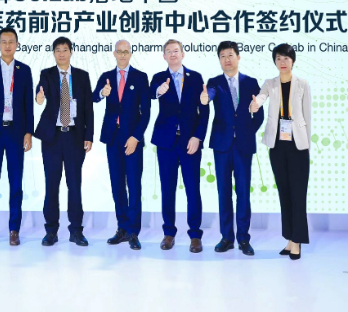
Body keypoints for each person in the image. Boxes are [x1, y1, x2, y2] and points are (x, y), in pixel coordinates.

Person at [201, 41, 264, 255]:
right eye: (222, 56)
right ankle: (227, 237)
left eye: (230, 55)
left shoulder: (251, 82)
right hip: (222, 145)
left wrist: (247, 132)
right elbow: (209, 94)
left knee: (243, 192)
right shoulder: (214, 82)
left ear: (238, 57)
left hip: (243, 146)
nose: (226, 59)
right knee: (224, 192)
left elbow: (259, 113)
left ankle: (243, 239)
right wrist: (205, 98)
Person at [250, 43, 311, 260]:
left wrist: (306, 145)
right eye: (278, 58)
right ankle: (290, 239)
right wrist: (255, 105)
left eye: (286, 58)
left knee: (298, 194)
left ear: (292, 60)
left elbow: (307, 116)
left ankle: (297, 241)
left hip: (298, 145)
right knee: (284, 193)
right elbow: (261, 97)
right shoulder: (270, 83)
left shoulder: (303, 84)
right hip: (277, 145)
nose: (282, 62)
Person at [150, 39, 209, 253]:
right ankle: (169, 233)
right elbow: (150, 93)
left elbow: (204, 111)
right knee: (167, 188)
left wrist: (198, 137)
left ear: (183, 54)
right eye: (169, 51)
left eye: (176, 51)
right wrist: (159, 90)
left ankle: (195, 235)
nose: (173, 54)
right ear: (164, 56)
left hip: (189, 142)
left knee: (192, 188)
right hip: (166, 142)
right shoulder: (158, 78)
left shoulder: (196, 78)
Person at [34, 37, 94, 247]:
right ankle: (51, 231)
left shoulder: (82, 76)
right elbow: (40, 92)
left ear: (71, 52)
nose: (61, 53)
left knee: (74, 185)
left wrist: (89, 136)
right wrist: (39, 97)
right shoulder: (47, 74)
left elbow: (88, 108)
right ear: (54, 53)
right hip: (52, 137)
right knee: (52, 185)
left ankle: (76, 231)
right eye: (57, 50)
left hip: (74, 137)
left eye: (65, 50)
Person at [0, 27, 34, 246]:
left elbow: (28, 104)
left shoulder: (24, 70)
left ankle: (14, 230)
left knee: (16, 183)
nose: (8, 45)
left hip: (15, 133)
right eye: (4, 41)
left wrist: (28, 132)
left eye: (11, 41)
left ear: (17, 44)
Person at [93, 40, 150, 250]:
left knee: (133, 185)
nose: (123, 55)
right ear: (114, 53)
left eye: (126, 52)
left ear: (130, 54)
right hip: (112, 137)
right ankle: (122, 228)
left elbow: (146, 112)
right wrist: (102, 93)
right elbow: (93, 97)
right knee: (117, 185)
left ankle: (134, 232)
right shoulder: (106, 77)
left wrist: (136, 137)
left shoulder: (140, 77)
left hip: (132, 139)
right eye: (120, 52)